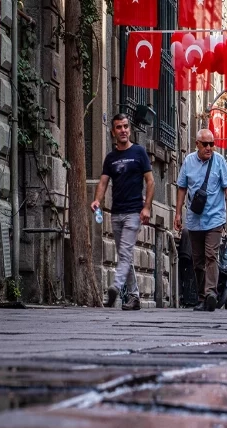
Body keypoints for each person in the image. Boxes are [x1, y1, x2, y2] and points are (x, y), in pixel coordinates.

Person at [92, 113, 155, 310]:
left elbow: (150, 181)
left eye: (126, 126)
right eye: (119, 127)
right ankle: (135, 297)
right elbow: (103, 182)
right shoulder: (110, 158)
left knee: (125, 252)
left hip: (134, 213)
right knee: (124, 255)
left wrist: (146, 208)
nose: (123, 130)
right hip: (116, 213)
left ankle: (115, 288)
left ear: (129, 129)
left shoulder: (139, 152)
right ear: (113, 132)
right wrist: (97, 200)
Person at [174, 129, 227, 312]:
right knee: (197, 260)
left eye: (212, 144)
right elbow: (182, 188)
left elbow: (226, 186)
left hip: (215, 218)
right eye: (205, 144)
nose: (209, 148)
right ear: (197, 144)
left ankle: (211, 294)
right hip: (194, 220)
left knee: (211, 255)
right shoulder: (189, 162)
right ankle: (201, 297)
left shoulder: (220, 161)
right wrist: (177, 214)